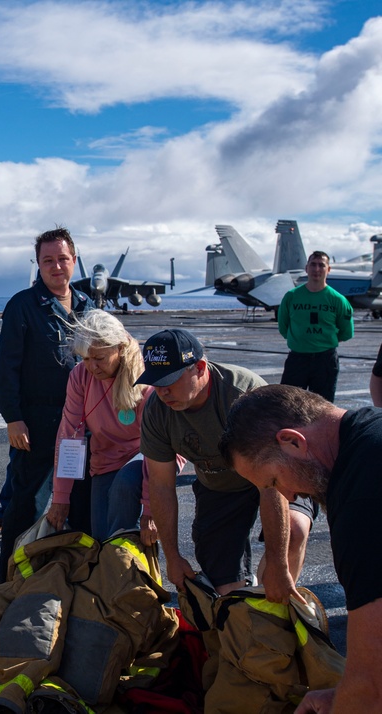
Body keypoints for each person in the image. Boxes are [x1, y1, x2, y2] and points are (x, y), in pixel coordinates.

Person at [219, 384, 382, 714]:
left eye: (274, 483)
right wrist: (340, 695)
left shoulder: (362, 505)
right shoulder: (370, 430)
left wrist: (353, 696)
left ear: (293, 441)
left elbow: (371, 687)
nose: (289, 497)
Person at [136, 328, 312, 601]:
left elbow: (271, 485)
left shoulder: (244, 397)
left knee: (293, 532)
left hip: (281, 474)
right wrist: (172, 556)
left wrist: (277, 563)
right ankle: (244, 614)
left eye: (170, 380)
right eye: (156, 382)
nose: (163, 391)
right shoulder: (157, 410)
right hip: (221, 484)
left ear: (200, 367)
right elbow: (160, 483)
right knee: (225, 589)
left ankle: (276, 620)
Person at [0, 227, 92, 583]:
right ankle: (9, 587)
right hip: (37, 421)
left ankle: (71, 583)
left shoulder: (88, 306)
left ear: (74, 261)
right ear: (38, 264)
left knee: (79, 507)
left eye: (62, 259)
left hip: (82, 424)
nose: (56, 266)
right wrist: (14, 418)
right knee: (27, 507)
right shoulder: (23, 306)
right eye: (47, 260)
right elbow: (7, 368)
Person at [45, 309, 159, 541]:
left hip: (147, 456)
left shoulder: (145, 381)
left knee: (125, 486)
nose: (92, 367)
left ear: (119, 349)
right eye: (86, 358)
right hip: (105, 459)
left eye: (99, 358)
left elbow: (161, 448)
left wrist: (150, 508)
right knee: (100, 537)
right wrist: (60, 497)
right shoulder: (80, 376)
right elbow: (70, 436)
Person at [277, 251, 353, 402]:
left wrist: (322, 341)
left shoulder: (338, 300)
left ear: (328, 270)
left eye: (321, 265)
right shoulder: (292, 297)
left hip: (325, 360)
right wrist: (300, 340)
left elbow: (346, 332)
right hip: (297, 360)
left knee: (323, 408)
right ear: (306, 268)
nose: (316, 269)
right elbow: (283, 326)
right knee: (287, 405)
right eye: (313, 264)